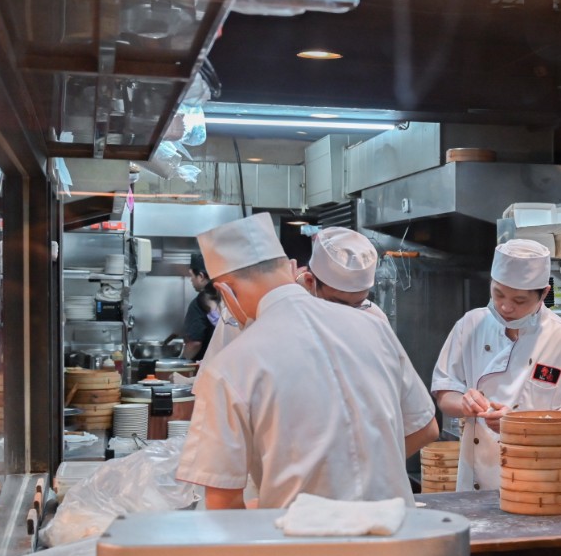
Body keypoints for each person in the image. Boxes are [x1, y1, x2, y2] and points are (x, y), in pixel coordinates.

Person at [176, 213, 439, 509]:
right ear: (292, 270)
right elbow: (424, 427)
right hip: (396, 536)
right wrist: (363, 473)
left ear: (226, 291)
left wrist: (275, 500)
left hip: (302, 545)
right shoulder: (375, 326)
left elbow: (223, 506)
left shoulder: (230, 365)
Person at [432, 239, 561, 491]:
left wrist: (518, 423)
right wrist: (465, 403)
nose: (506, 307)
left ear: (544, 294)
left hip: (537, 480)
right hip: (477, 478)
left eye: (519, 301)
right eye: (498, 294)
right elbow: (445, 392)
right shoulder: (470, 325)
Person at [201, 227, 389, 365]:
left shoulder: (375, 320)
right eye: (338, 303)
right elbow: (212, 384)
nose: (349, 314)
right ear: (309, 282)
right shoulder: (248, 314)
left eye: (359, 304)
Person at [180, 252, 215, 361]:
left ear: (201, 276)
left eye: (191, 275)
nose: (191, 279)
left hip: (206, 366)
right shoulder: (225, 295)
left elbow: (195, 343)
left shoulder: (200, 302)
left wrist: (183, 360)